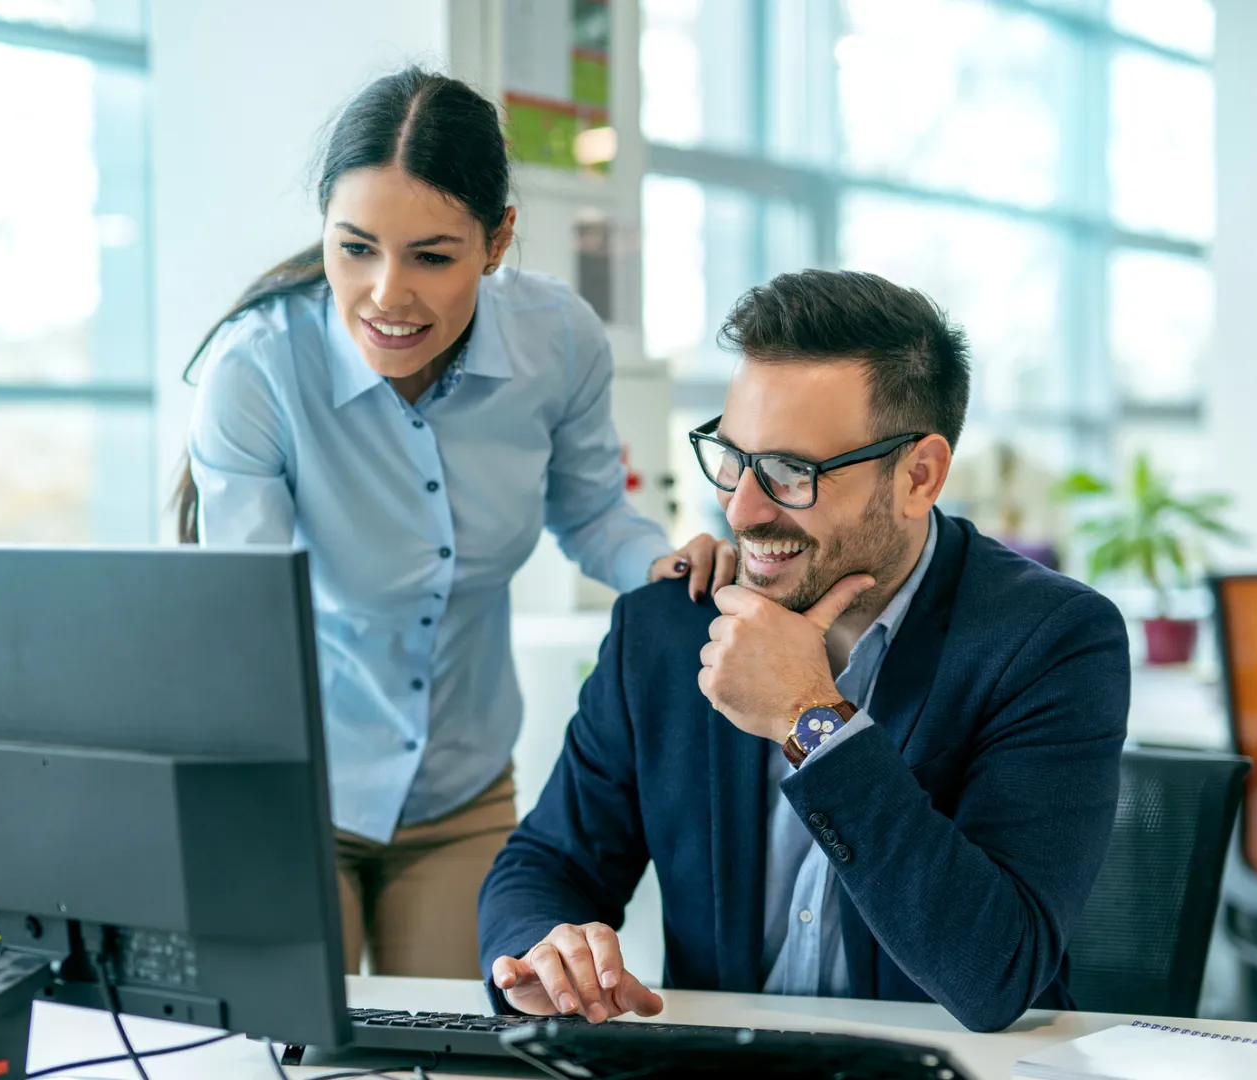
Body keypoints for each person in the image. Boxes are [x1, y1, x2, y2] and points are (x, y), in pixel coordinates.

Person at [178, 67, 732, 979]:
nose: (387, 295)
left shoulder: (558, 339)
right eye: (355, 248)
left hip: (463, 791)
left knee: (460, 1053)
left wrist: (677, 569)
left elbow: (594, 515)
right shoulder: (261, 369)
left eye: (432, 257)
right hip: (292, 783)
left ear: (498, 239)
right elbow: (249, 618)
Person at [477, 270, 1131, 1033]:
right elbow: (544, 866)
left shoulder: (1050, 640)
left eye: (793, 472)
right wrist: (545, 950)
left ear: (918, 476)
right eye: (732, 458)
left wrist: (808, 716)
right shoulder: (667, 628)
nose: (741, 509)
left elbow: (995, 973)